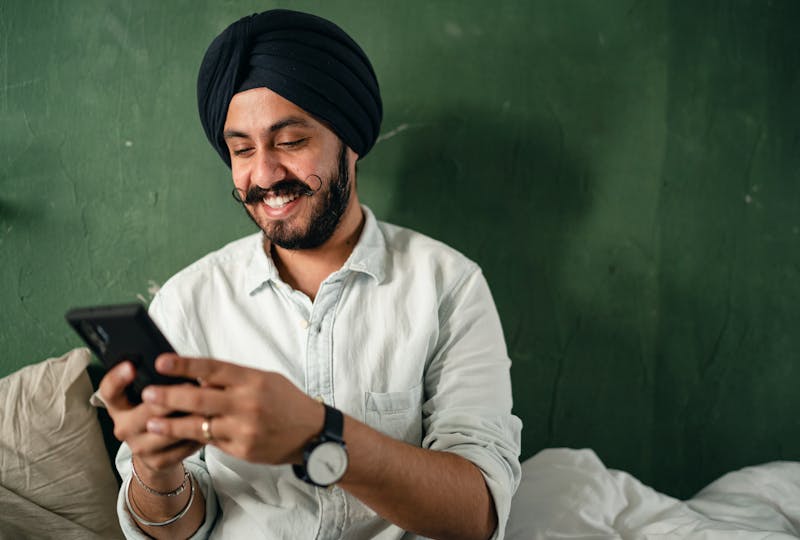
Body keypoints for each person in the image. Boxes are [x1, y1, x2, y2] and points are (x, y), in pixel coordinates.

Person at [99, 8, 522, 540]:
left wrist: (318, 437)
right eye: (241, 149)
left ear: (351, 141)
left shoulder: (449, 287)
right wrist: (156, 470)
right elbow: (174, 530)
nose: (265, 174)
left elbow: (478, 517)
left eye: (291, 141)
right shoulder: (188, 302)